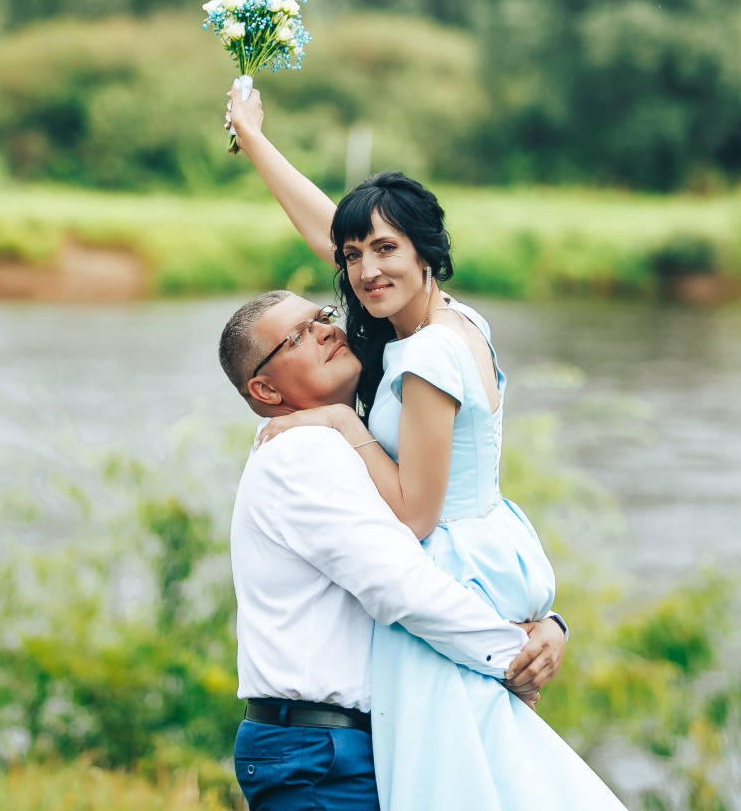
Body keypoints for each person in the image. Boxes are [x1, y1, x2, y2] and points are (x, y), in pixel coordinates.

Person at [226, 82, 626, 809]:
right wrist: (255, 141)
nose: (362, 272)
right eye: (352, 258)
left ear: (426, 254)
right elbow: (339, 238)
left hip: (449, 560)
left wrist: (346, 426)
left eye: (386, 250)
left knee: (458, 783)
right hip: (483, 556)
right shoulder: (440, 320)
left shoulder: (426, 357)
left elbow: (411, 517)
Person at [220, 289, 569, 810]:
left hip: (348, 743)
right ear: (265, 388)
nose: (327, 330)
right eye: (300, 335)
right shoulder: (301, 453)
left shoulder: (346, 446)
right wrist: (514, 655)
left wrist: (549, 626)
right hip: (318, 755)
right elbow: (401, 587)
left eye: (323, 317)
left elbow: (439, 559)